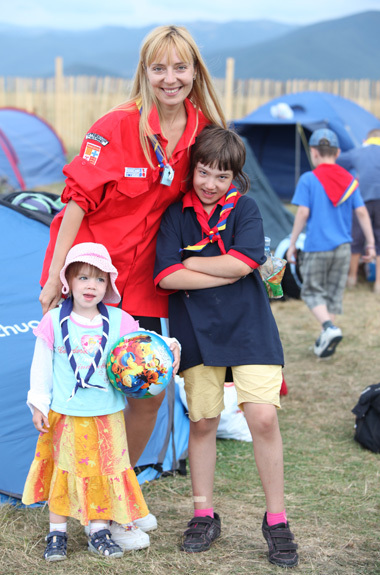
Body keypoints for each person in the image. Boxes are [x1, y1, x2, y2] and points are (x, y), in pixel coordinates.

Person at [37, 25, 226, 541]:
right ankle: (84, 503)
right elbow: (75, 204)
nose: (170, 78)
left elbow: (216, 189)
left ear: (194, 73)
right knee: (86, 391)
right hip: (89, 275)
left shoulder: (200, 129)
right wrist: (57, 275)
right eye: (158, 67)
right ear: (145, 72)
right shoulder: (116, 126)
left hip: (142, 280)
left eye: (180, 67)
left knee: (148, 391)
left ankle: (116, 496)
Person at [154, 125, 299, 568]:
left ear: (235, 176)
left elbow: (246, 262)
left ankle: (276, 520)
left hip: (250, 325)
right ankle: (203, 514)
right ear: (191, 170)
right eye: (203, 172)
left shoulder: (247, 209)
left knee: (263, 418)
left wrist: (194, 262)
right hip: (195, 329)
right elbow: (166, 276)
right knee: (203, 422)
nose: (211, 184)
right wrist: (223, 269)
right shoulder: (176, 215)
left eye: (222, 175)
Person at [22, 243, 180, 561]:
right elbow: (40, 365)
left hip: (107, 415)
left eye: (99, 279)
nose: (91, 285)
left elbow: (142, 346)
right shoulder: (54, 321)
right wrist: (38, 402)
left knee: (102, 472)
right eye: (83, 277)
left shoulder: (119, 320)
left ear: (108, 285)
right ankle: (57, 532)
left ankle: (98, 530)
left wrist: (169, 346)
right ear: (68, 281)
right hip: (65, 414)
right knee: (64, 470)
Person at [286, 128, 376, 358]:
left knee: (311, 292)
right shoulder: (349, 180)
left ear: (314, 153)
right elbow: (363, 213)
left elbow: (303, 213)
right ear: (337, 153)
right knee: (332, 296)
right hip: (344, 248)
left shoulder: (309, 179)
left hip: (318, 247)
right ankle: (326, 339)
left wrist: (293, 242)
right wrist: (371, 244)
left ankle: (329, 328)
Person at [337, 128, 380, 294]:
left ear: (366, 140)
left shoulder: (358, 152)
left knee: (356, 239)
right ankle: (378, 284)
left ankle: (352, 278)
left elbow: (337, 160)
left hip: (363, 199)